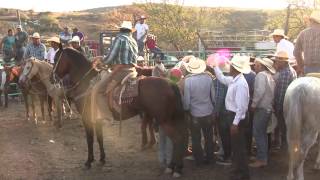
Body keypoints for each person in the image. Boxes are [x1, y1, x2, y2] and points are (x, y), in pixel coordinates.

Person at [211, 55, 251, 180]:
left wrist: (235, 123)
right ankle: (237, 171)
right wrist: (215, 66)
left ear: (235, 68)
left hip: (236, 117)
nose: (229, 68)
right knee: (237, 147)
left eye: (231, 66)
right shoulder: (235, 80)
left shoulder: (240, 84)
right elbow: (222, 78)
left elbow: (241, 107)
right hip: (234, 116)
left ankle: (242, 174)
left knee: (239, 148)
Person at [94, 21, 138, 121]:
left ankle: (108, 117)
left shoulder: (119, 39)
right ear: (130, 31)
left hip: (121, 72)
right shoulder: (133, 40)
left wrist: (102, 61)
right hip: (132, 71)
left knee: (98, 90)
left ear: (120, 30)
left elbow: (111, 57)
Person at [184, 57, 215, 166]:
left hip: (195, 114)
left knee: (196, 138)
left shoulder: (188, 81)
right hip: (208, 111)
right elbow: (213, 97)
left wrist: (186, 110)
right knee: (208, 136)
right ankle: (210, 158)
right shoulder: (208, 78)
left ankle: (199, 160)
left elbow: (187, 101)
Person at [249, 58, 275, 168]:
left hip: (261, 108)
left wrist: (253, 105)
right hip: (267, 107)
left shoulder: (260, 76)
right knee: (262, 133)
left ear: (261, 66)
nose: (254, 66)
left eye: (256, 65)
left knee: (258, 133)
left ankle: (261, 159)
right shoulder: (269, 76)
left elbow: (259, 91)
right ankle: (262, 156)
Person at [272, 51, 297, 151]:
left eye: (277, 61)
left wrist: (277, 107)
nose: (276, 63)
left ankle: (284, 147)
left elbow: (281, 93)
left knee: (283, 126)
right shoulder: (290, 71)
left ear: (282, 62)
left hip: (284, 105)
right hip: (289, 104)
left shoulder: (285, 73)